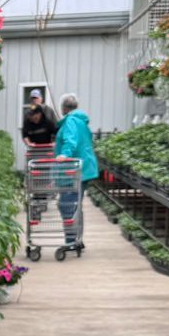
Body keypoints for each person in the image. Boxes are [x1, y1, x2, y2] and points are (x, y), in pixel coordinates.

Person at [53, 94, 99, 247]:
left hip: (71, 171)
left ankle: (72, 240)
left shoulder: (71, 121)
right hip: (83, 169)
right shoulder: (81, 121)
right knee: (75, 204)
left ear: (64, 108)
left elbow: (70, 140)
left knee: (67, 205)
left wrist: (64, 154)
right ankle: (77, 238)